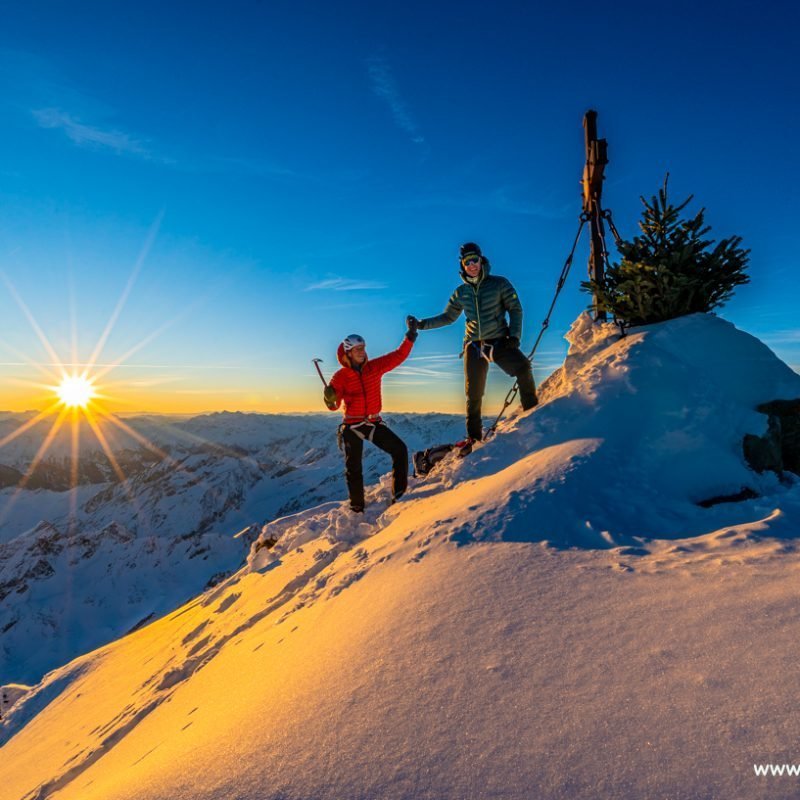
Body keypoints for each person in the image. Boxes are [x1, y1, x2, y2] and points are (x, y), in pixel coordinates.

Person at [409, 242, 537, 444]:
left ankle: (532, 413)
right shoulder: (461, 292)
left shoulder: (499, 284)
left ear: (481, 260)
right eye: (467, 261)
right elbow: (448, 317)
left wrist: (514, 335)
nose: (472, 264)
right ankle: (474, 438)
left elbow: (515, 309)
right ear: (462, 264)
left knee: (523, 367)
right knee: (473, 393)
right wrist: (421, 325)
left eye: (474, 259)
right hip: (474, 344)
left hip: (498, 340)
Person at [323, 321, 417, 512]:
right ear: (348, 352)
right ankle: (357, 507)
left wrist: (410, 336)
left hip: (373, 422)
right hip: (352, 426)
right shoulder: (340, 377)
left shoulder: (374, 367)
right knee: (353, 468)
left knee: (400, 450)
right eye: (357, 348)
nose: (362, 351)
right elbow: (335, 404)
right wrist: (329, 397)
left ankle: (399, 496)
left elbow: (397, 356)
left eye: (363, 348)